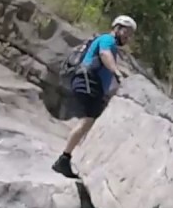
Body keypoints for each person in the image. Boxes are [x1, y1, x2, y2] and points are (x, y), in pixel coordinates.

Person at [51, 15, 138, 179]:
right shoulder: (107, 40)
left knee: (91, 120)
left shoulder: (109, 43)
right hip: (88, 80)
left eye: (130, 35)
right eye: (127, 32)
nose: (128, 38)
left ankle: (69, 157)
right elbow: (104, 54)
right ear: (117, 28)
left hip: (90, 82)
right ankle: (64, 159)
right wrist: (117, 73)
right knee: (88, 119)